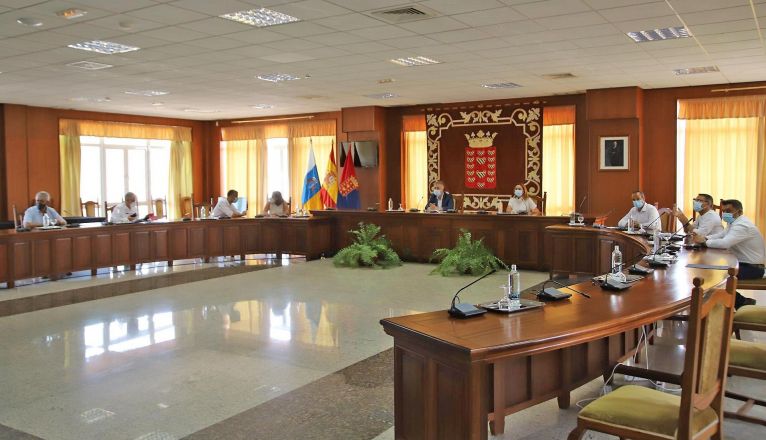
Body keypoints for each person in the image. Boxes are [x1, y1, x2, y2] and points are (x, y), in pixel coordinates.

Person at [693, 199, 763, 309]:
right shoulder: (734, 222)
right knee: (710, 272)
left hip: (752, 268)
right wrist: (705, 238)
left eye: (729, 211)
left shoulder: (742, 226)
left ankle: (735, 304)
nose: (725, 214)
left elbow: (725, 243)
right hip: (741, 263)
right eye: (724, 211)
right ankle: (740, 302)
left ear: (739, 212)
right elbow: (721, 235)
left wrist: (705, 242)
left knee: (716, 277)